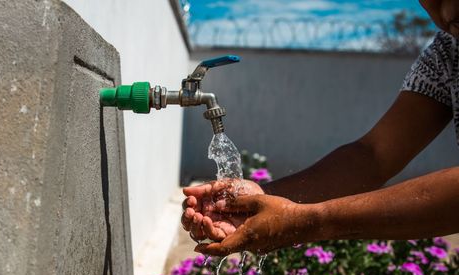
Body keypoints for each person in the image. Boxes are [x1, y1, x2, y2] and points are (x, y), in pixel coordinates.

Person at [181, 0, 459, 256]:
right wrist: (261, 197)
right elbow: (372, 156)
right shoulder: (447, 54)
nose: (445, 10)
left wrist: (308, 220)